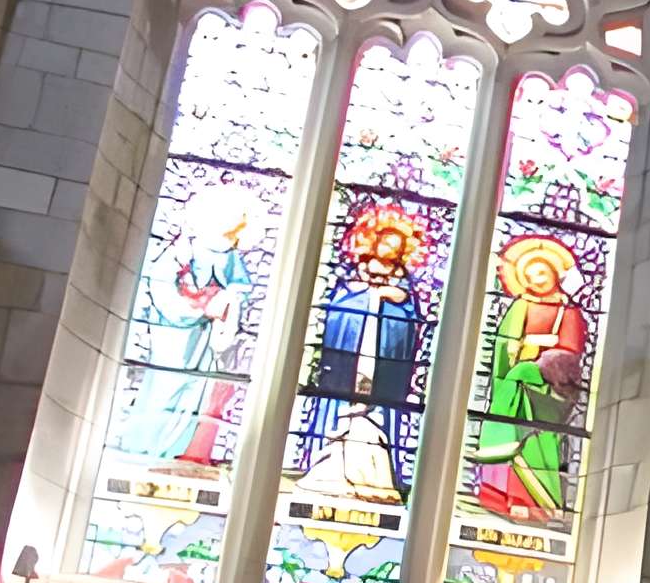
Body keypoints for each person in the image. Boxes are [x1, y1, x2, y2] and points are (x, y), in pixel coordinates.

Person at [113, 180, 264, 466]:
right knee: (165, 386)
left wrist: (226, 300)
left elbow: (240, 286)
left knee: (196, 390)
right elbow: (161, 284)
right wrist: (191, 307)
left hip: (204, 336)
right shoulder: (184, 249)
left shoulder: (230, 256)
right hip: (173, 333)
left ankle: (179, 449)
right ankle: (144, 449)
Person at [293, 201, 430, 501]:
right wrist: (366, 297)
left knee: (377, 407)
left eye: (396, 246)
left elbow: (409, 319)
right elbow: (339, 307)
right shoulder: (355, 273)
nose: (389, 249)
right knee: (341, 402)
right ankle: (324, 464)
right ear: (374, 242)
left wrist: (393, 301)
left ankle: (378, 477)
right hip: (349, 353)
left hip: (383, 358)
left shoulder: (403, 282)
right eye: (386, 242)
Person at [465, 233, 589, 525]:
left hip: (550, 387)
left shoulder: (568, 310)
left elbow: (571, 350)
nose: (537, 280)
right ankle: (502, 496)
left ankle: (542, 503)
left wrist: (538, 357)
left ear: (555, 273)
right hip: (516, 386)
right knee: (511, 425)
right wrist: (518, 361)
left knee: (539, 438)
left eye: (542, 273)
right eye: (530, 276)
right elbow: (503, 347)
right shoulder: (520, 305)